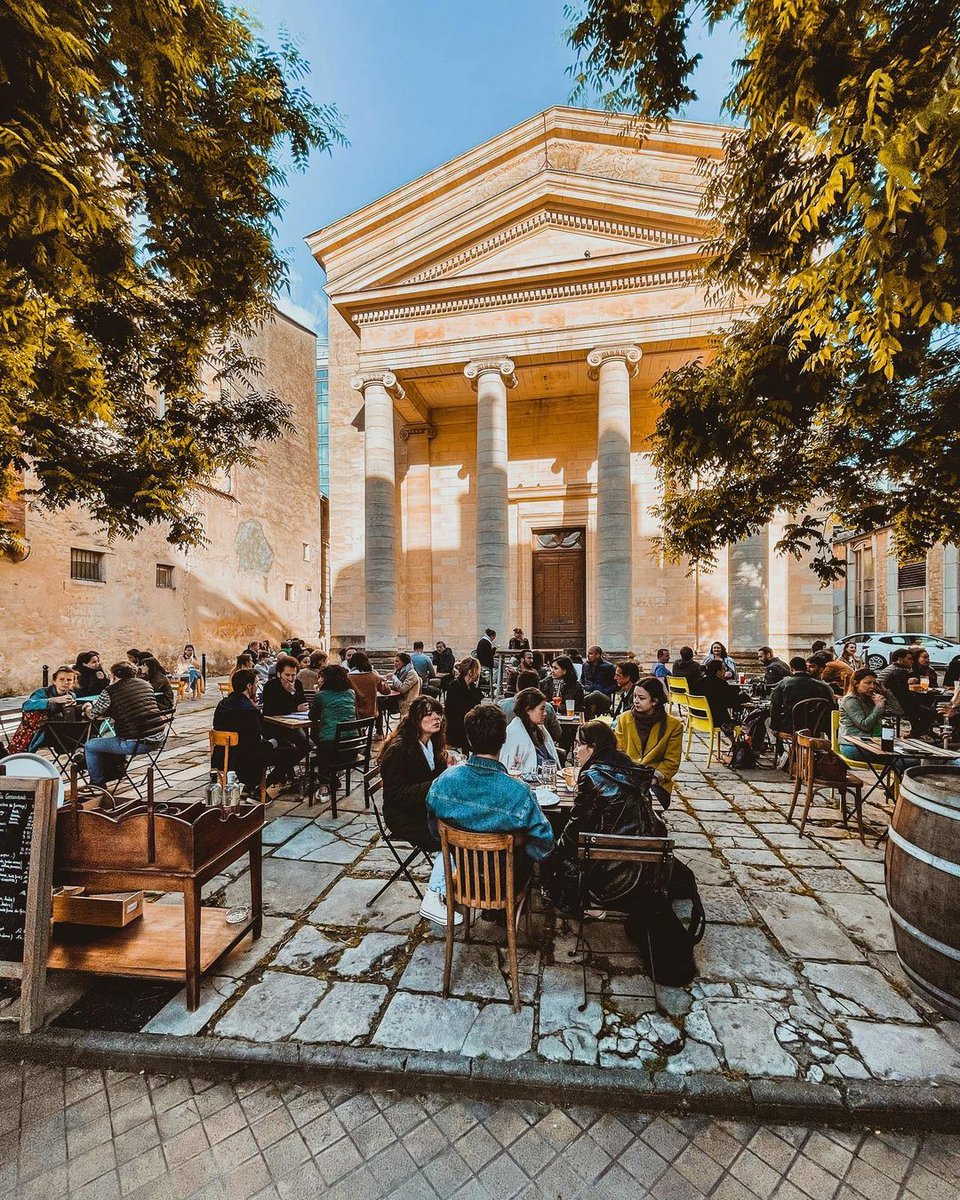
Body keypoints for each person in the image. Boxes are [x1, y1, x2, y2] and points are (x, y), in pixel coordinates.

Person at [420, 703, 554, 925]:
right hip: (507, 881)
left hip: (464, 877)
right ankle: (505, 913)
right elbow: (544, 843)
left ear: (469, 739)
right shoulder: (519, 792)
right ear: (503, 738)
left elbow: (435, 831)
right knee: (530, 856)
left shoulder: (443, 783)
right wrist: (521, 847)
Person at [541, 720, 668, 916]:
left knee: (548, 843)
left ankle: (582, 904)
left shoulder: (592, 776)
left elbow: (577, 826)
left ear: (593, 747)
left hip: (605, 873)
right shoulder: (630, 769)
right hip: (640, 864)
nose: (575, 750)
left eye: (579, 744)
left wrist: (554, 851)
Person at [212, 669, 304, 799]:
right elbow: (255, 744)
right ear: (249, 686)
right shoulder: (248, 711)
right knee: (292, 752)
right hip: (244, 759)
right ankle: (259, 788)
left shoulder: (222, 704)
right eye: (256, 683)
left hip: (222, 755)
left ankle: (250, 787)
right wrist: (274, 742)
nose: (257, 686)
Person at [378, 695, 449, 856]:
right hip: (403, 816)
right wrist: (436, 783)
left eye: (438, 713)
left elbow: (436, 775)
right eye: (429, 714)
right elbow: (396, 794)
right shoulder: (399, 750)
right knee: (453, 837)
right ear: (416, 720)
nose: (436, 718)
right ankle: (445, 878)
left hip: (426, 808)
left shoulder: (433, 743)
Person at [82, 662, 167, 789]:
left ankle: (97, 783)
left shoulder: (110, 691)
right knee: (112, 736)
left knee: (90, 745)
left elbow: (94, 714)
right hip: (158, 737)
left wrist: (87, 707)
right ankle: (117, 772)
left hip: (135, 742)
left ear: (114, 675)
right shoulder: (146, 685)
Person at [614, 677, 683, 807]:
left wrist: (653, 779)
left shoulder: (673, 726)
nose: (636, 701)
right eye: (634, 696)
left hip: (654, 781)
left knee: (644, 804)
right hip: (627, 777)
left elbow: (671, 761)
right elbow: (618, 751)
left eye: (641, 698)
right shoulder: (624, 719)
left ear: (655, 701)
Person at [839, 668, 919, 776]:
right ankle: (893, 791)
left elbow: (898, 711)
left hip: (874, 743)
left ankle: (892, 790)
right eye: (868, 683)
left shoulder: (871, 698)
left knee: (912, 757)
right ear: (856, 683)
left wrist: (885, 692)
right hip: (854, 745)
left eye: (874, 683)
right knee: (908, 762)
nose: (872, 686)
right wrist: (878, 708)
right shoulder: (851, 700)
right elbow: (864, 725)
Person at [7, 665, 78, 754]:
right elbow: (27, 705)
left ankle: (78, 754)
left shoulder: (72, 695)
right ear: (54, 681)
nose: (65, 682)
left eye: (69, 680)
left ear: (73, 682)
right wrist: (53, 700)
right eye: (61, 679)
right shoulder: (42, 692)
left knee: (81, 731)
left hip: (59, 729)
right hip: (40, 731)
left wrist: (77, 707)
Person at [308, 663, 358, 771]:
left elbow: (312, 717)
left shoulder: (321, 695)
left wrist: (319, 693)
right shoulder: (351, 693)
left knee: (321, 745)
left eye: (322, 677)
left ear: (327, 679)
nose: (319, 680)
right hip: (353, 746)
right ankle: (333, 780)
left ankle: (324, 784)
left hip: (332, 749)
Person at [500, 688, 561, 774]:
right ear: (528, 710)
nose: (545, 713)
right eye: (542, 709)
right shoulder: (514, 733)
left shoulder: (539, 729)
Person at [769, 657, 835, 734]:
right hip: (816, 727)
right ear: (805, 668)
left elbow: (775, 707)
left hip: (791, 727)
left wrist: (776, 730)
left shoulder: (783, 684)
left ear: (791, 668)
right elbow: (831, 707)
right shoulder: (822, 686)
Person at [877, 649, 931, 734]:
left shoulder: (897, 668)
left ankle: (919, 732)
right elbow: (902, 691)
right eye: (909, 659)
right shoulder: (897, 670)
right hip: (886, 699)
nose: (912, 661)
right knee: (922, 708)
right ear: (900, 659)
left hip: (888, 696)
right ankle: (918, 732)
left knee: (917, 705)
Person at [693, 659, 746, 740]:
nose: (725, 671)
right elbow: (730, 702)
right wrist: (744, 697)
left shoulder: (699, 682)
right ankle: (737, 743)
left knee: (720, 710)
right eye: (724, 669)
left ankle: (735, 742)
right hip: (715, 720)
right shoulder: (720, 684)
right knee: (735, 719)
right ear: (718, 672)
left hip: (699, 718)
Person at [443, 656, 483, 750]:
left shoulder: (472, 687)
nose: (478, 674)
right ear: (470, 672)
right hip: (457, 729)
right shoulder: (455, 686)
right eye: (477, 671)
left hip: (469, 727)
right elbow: (453, 711)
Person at [346, 651, 389, 721]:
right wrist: (383, 681)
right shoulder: (374, 676)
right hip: (371, 713)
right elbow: (386, 691)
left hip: (355, 713)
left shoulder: (348, 677)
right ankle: (379, 730)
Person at [390, 652, 422, 717]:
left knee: (381, 704)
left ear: (404, 663)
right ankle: (379, 726)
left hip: (407, 701)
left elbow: (402, 689)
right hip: (398, 698)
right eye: (394, 661)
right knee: (379, 703)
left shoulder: (411, 673)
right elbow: (397, 685)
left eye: (397, 661)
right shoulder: (399, 671)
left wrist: (393, 677)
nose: (395, 663)